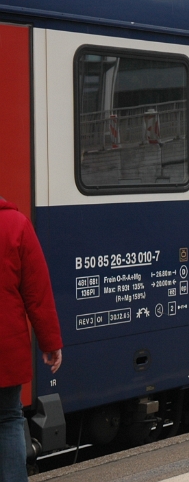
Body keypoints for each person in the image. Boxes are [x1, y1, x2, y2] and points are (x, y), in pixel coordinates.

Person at [0, 197, 62, 482]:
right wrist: (50, 343)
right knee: (9, 419)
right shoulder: (16, 224)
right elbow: (37, 292)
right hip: (6, 349)